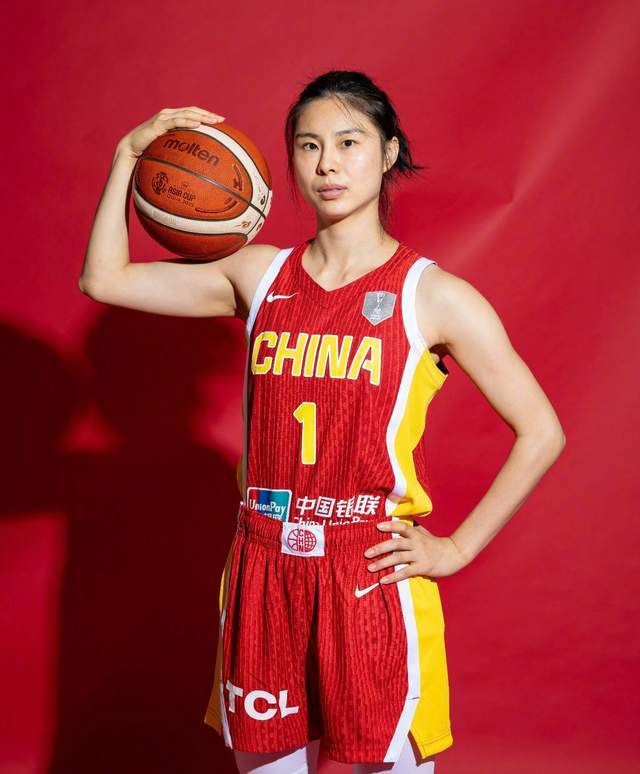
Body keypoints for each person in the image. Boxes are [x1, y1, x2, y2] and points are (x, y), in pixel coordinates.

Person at [79, 70, 566, 773]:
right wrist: (128, 157)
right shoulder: (258, 276)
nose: (327, 163)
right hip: (264, 560)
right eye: (309, 146)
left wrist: (456, 549)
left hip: (367, 569)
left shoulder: (433, 295)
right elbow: (105, 279)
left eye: (348, 142)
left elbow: (542, 431)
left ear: (389, 152)